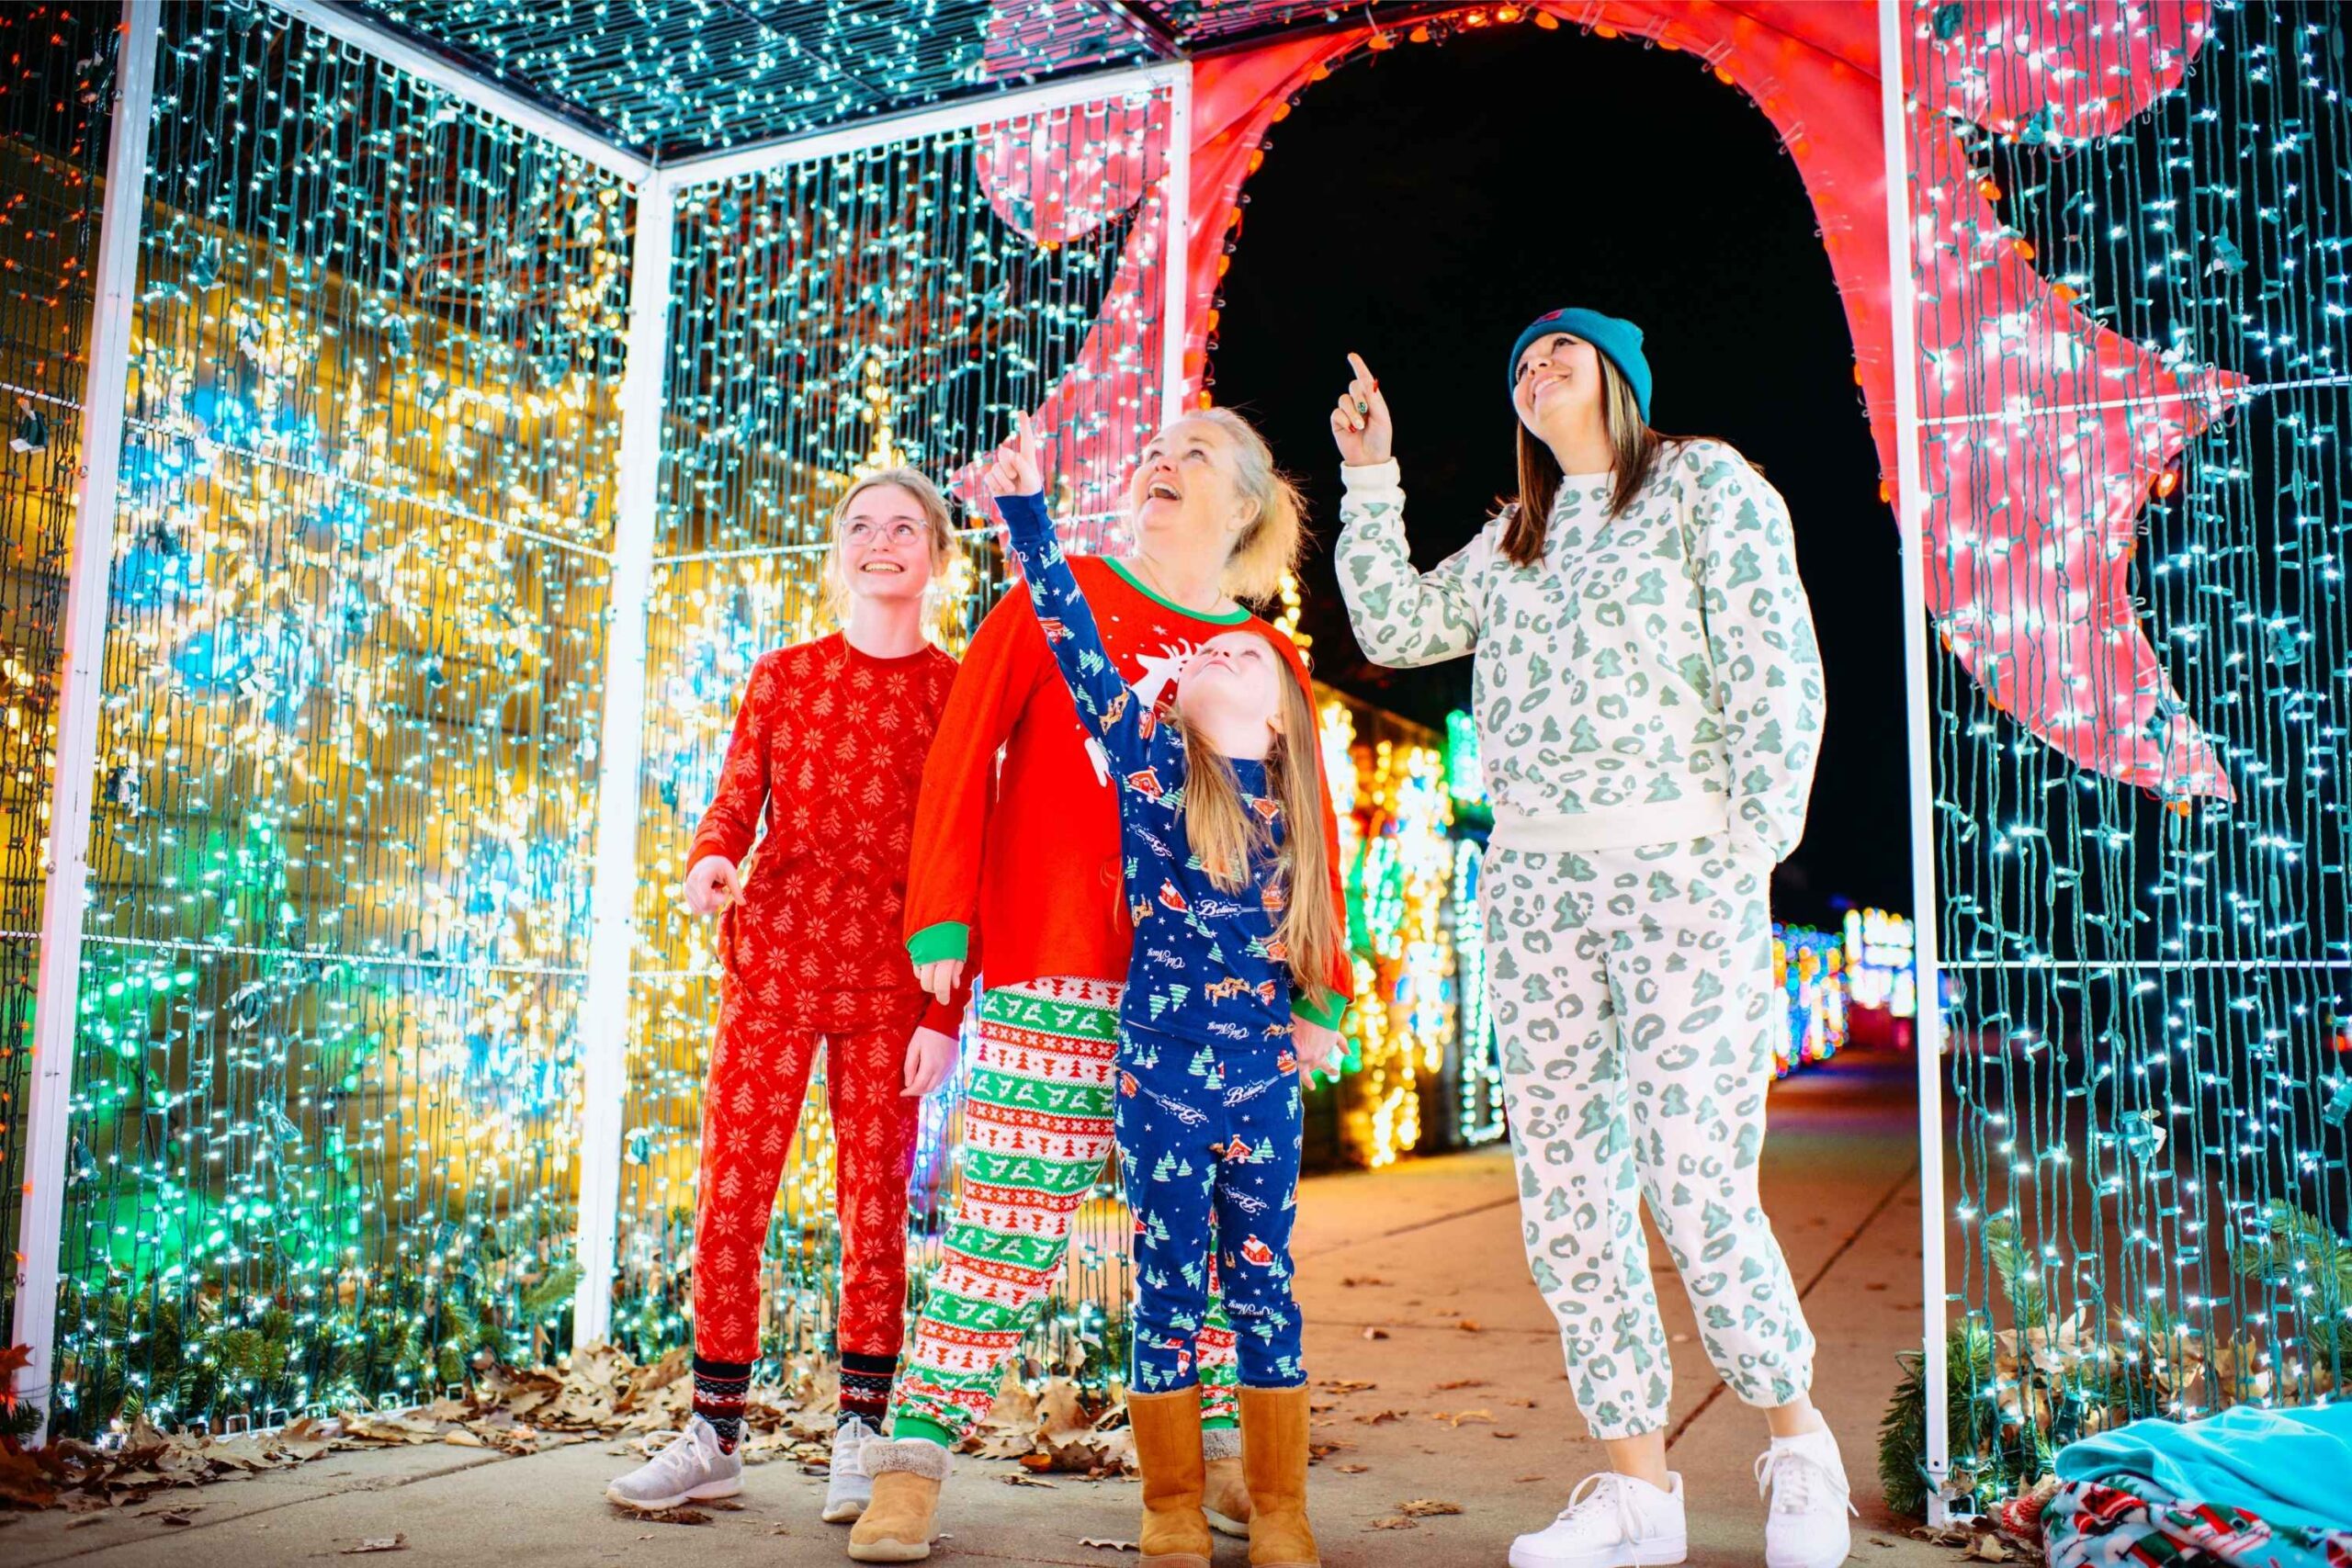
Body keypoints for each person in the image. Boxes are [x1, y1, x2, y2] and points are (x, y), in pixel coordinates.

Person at [1329, 310, 1849, 1568]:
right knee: (1568, 1195)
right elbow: (1395, 625)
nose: (1536, 368)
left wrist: (1749, 844)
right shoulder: (1519, 536)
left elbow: (1778, 661)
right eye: (1519, 363)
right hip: (1538, 883)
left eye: (1562, 350)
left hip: (1679, 863)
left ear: (1621, 377)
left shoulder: (1701, 482)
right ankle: (1637, 1490)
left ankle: (1797, 1444)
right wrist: (1367, 475)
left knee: (1692, 1172)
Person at [848, 407, 1353, 1564]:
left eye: (1194, 456)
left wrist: (1316, 990)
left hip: (1220, 1005)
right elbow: (962, 750)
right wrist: (941, 915)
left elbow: (1313, 831)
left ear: (1246, 508)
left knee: (1228, 1247)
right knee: (1004, 1223)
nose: (1158, 464)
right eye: (1152, 452)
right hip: (1055, 958)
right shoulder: (1056, 590)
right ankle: (912, 1464)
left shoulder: (1265, 660)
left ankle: (1222, 1463)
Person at [994, 412, 1336, 1567]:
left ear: (1281, 713)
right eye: (1200, 659)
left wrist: (1317, 1016)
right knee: (1166, 1286)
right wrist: (1029, 512)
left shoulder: (1298, 824)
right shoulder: (1150, 775)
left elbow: (1321, 939)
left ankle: (1281, 1506)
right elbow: (1073, 636)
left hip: (1261, 1084)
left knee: (1267, 1288)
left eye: (1240, 654)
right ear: (1174, 704)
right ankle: (1171, 1504)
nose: (1221, 651)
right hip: (1159, 1075)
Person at [606, 469, 973, 1528]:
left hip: (893, 991)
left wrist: (946, 1016)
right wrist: (708, 862)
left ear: (937, 559)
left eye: (905, 528)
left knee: (874, 1213)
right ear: (836, 553)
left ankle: (860, 1434)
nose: (881, 541)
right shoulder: (781, 678)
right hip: (770, 968)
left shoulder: (954, 697)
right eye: (860, 527)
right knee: (732, 1199)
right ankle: (713, 1435)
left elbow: (963, 861)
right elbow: (731, 807)